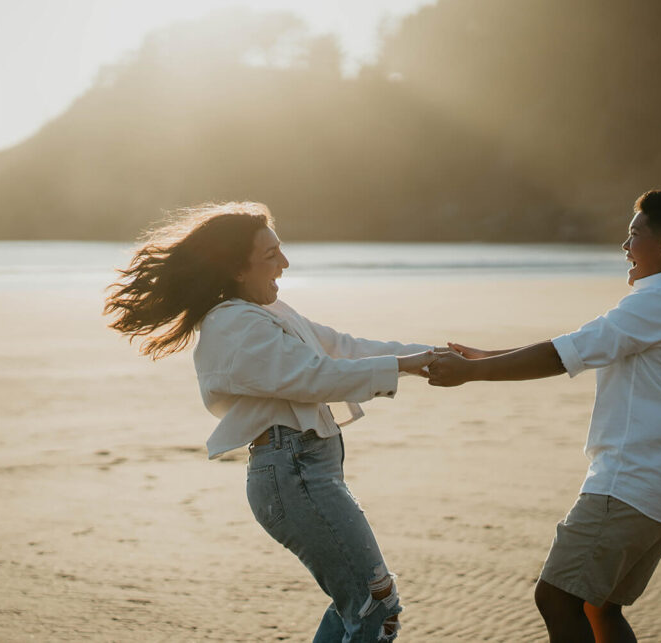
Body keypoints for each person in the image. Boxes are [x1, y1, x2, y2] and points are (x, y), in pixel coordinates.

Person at [104, 201, 435, 642]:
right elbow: (314, 378)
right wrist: (409, 365)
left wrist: (434, 357)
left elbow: (342, 347)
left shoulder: (269, 312)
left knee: (360, 603)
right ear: (237, 270)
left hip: (309, 472)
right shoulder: (233, 324)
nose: (285, 262)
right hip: (293, 476)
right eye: (270, 255)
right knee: (376, 605)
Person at [427, 190, 661, 643]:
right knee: (599, 608)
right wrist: (486, 356)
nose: (625, 245)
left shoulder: (656, 303)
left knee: (556, 598)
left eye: (634, 234)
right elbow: (578, 346)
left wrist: (472, 373)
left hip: (630, 483)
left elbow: (562, 356)